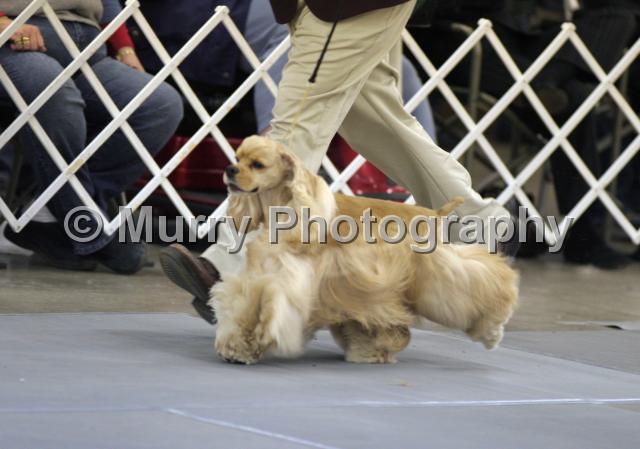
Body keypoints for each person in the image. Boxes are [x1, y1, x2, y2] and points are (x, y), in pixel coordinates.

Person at [160, 0, 516, 324]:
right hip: (338, 9)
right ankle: (478, 222)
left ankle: (228, 262)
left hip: (340, 7)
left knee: (295, 129)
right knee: (374, 120)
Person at [0, 0, 183, 273]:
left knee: (159, 104)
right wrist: (3, 22)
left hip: (88, 44)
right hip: (17, 37)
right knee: (56, 94)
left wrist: (124, 47)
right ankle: (86, 229)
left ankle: (51, 215)